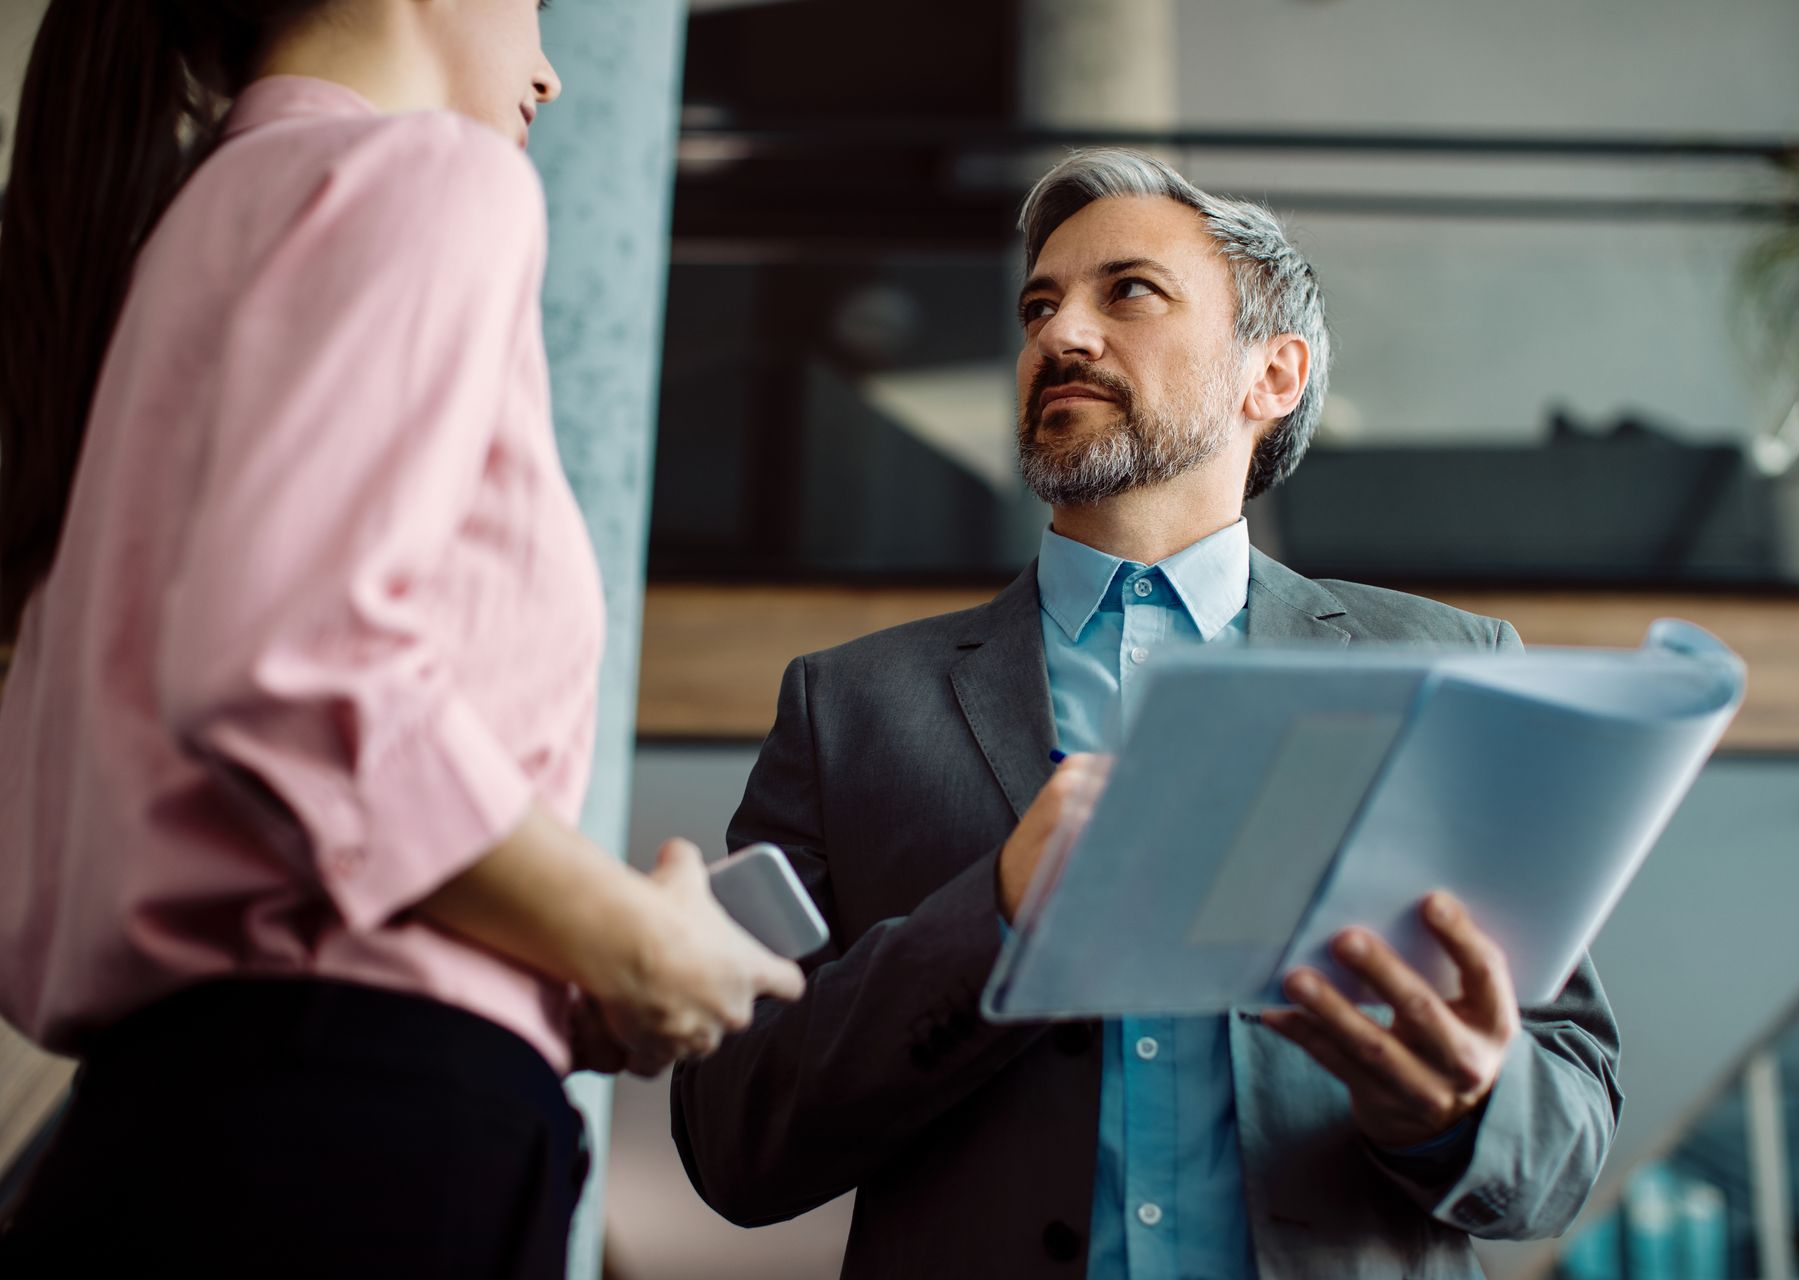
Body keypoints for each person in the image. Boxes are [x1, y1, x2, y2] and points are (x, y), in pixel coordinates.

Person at [671, 149, 1622, 1279]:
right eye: (1039, 304)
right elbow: (731, 1134)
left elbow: (1565, 1137)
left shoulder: (1451, 668)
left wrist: (1462, 1103)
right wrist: (997, 915)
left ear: (1271, 373)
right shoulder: (849, 709)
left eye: (1128, 291)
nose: (1059, 335)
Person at [0, 2, 802, 1275]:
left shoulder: (176, 241)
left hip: (185, 1120)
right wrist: (625, 933)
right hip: (354, 1138)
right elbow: (295, 670)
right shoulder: (426, 172)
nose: (549, 69)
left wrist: (544, 952)